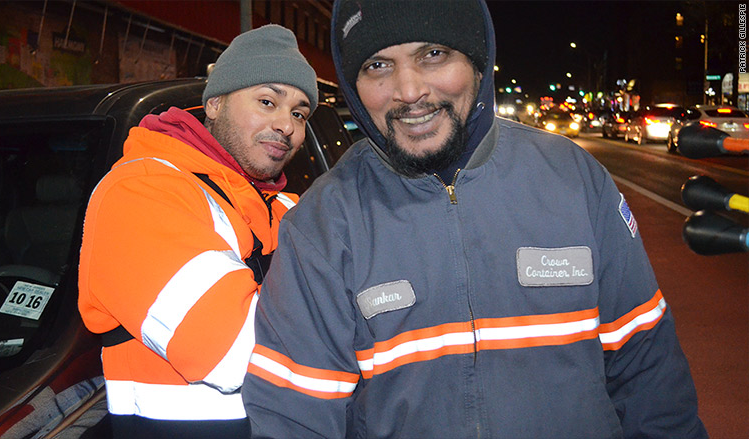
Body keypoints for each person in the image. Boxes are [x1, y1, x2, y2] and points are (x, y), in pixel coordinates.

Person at [241, 1, 708, 438]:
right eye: (378, 66)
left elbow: (650, 373)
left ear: (478, 62)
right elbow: (292, 416)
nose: (408, 92)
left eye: (434, 54)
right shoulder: (323, 222)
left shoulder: (575, 180)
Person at [77, 24, 317, 438]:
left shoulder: (283, 205)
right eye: (267, 101)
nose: (287, 126)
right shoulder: (142, 191)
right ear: (215, 104)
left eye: (299, 112)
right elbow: (232, 353)